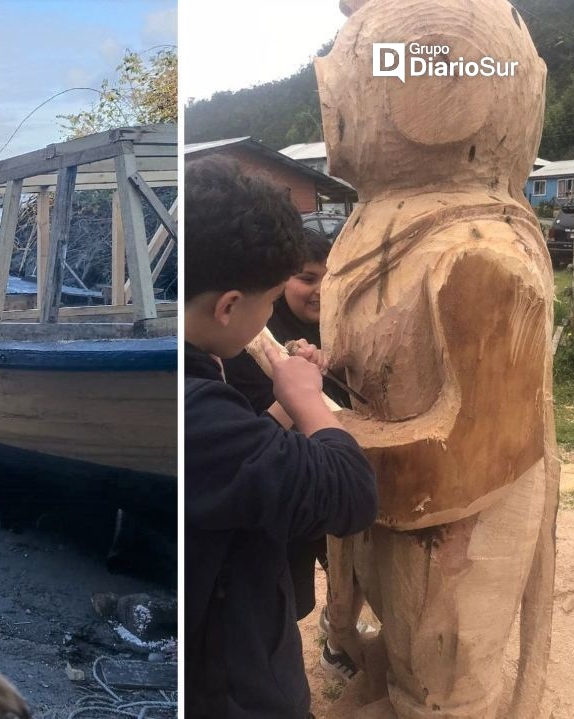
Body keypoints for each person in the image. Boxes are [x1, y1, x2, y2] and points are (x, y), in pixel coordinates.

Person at [184, 156, 377, 718]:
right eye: (270, 300)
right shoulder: (198, 408)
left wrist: (282, 407)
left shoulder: (198, 377)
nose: (272, 312)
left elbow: (239, 461)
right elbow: (350, 492)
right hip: (233, 685)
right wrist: (308, 402)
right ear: (227, 307)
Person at [222, 228, 375, 683]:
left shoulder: (334, 323)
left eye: (330, 280)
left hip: (331, 469)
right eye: (307, 278)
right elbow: (251, 441)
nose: (319, 291)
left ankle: (336, 639)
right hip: (292, 487)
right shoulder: (251, 340)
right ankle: (272, 676)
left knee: (354, 571)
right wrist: (293, 388)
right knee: (285, 599)